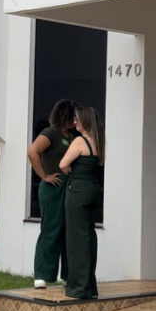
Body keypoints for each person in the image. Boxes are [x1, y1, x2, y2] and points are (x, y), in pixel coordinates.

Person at [27, 99, 78, 289]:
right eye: (73, 116)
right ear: (65, 115)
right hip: (53, 187)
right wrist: (44, 176)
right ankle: (42, 274)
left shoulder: (71, 136)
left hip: (68, 187)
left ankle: (67, 275)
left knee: (68, 231)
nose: (76, 120)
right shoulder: (51, 133)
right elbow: (33, 152)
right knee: (51, 229)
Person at [59, 106, 105, 300]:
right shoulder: (99, 141)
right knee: (89, 237)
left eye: (77, 119)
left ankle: (79, 287)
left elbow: (62, 164)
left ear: (84, 122)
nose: (75, 122)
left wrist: (69, 170)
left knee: (76, 239)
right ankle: (89, 286)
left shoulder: (79, 141)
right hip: (93, 190)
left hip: (78, 191)